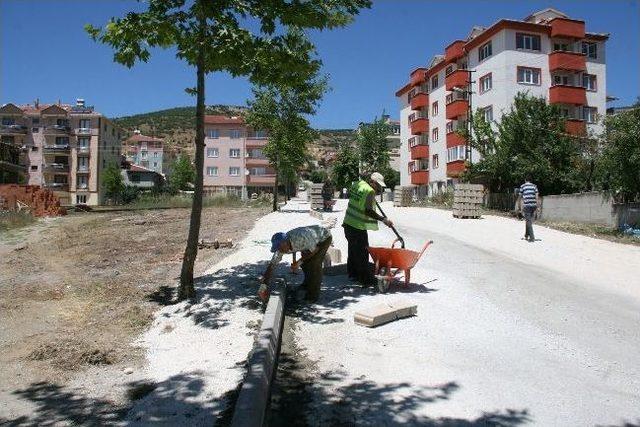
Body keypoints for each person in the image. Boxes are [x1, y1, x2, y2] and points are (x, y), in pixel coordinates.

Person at [342, 172, 393, 287]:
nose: (379, 188)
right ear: (373, 182)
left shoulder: (358, 184)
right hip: (357, 226)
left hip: (348, 223)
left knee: (352, 250)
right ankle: (365, 280)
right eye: (378, 185)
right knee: (362, 253)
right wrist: (383, 219)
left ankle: (352, 274)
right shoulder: (369, 191)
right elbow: (368, 211)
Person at [259, 225, 332, 302]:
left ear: (285, 243)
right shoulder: (281, 247)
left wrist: (299, 262)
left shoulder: (300, 239)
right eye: (278, 249)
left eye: (281, 248)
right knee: (305, 264)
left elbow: (314, 250)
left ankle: (312, 296)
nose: (280, 251)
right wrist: (264, 285)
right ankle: (307, 285)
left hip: (323, 238)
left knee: (314, 265)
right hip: (310, 241)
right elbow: (272, 265)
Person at [518, 175, 539, 242]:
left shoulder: (523, 186)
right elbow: (537, 196)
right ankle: (526, 235)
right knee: (528, 220)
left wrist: (520, 207)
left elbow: (520, 197)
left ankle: (532, 238)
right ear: (531, 180)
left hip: (527, 205)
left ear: (525, 180)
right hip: (533, 205)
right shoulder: (534, 186)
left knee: (528, 221)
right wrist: (537, 206)